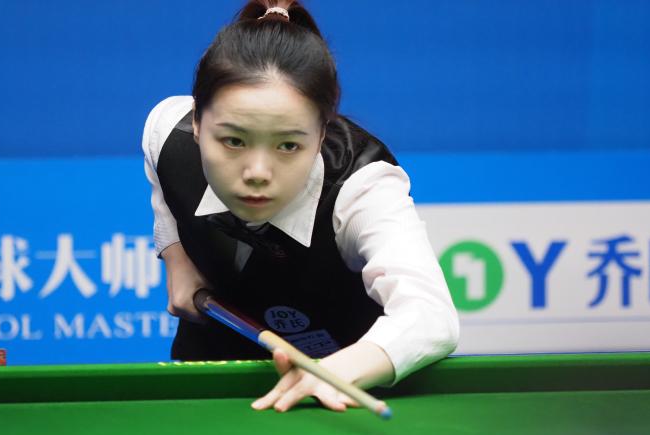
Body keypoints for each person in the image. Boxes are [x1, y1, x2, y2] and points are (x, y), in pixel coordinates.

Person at [142, 0, 459, 413]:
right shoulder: (170, 133)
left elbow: (432, 316)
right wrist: (176, 256)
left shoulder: (362, 187)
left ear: (322, 133)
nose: (258, 172)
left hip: (339, 392)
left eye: (289, 145)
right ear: (198, 123)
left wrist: (336, 371)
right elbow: (155, 148)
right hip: (213, 366)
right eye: (234, 141)